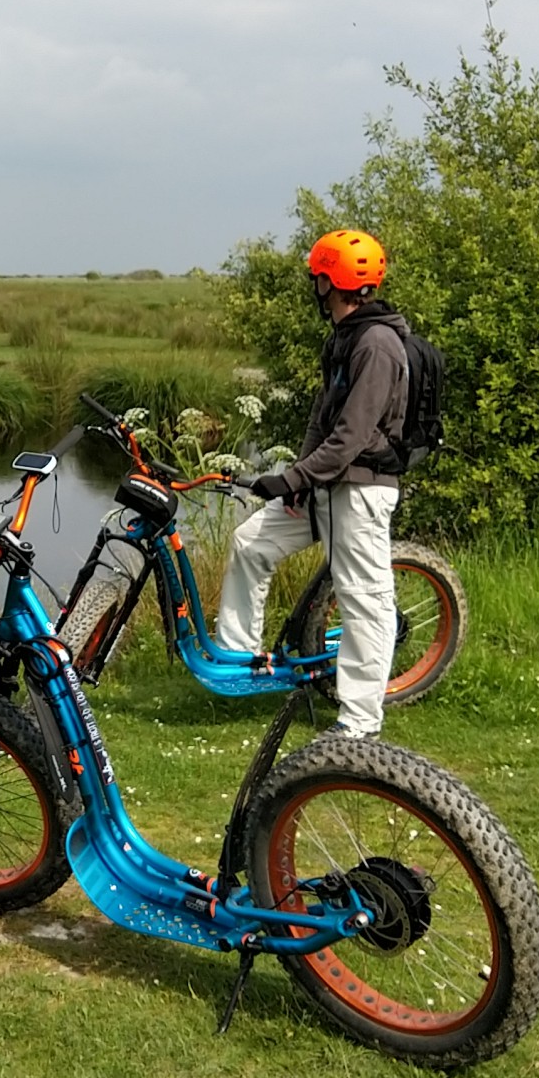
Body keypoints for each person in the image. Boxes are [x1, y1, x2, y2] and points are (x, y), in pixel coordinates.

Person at [215, 228, 409, 738]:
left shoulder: (378, 345)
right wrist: (298, 480)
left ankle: (360, 722)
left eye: (317, 278)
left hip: (362, 488)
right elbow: (323, 420)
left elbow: (350, 438)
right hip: (324, 484)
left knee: (363, 596)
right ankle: (239, 662)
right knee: (250, 543)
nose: (314, 287)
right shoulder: (344, 338)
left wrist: (293, 476)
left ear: (330, 283)